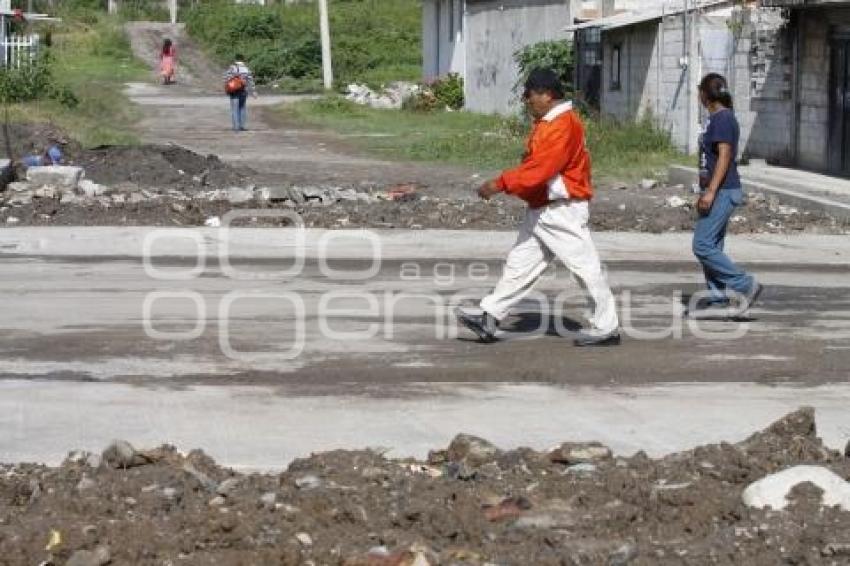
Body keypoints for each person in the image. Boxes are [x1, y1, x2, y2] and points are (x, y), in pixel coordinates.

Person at [455, 68, 620, 347]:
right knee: (519, 265)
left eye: (529, 95)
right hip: (545, 207)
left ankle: (606, 326)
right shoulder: (552, 122)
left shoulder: (562, 124)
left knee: (585, 268)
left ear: (546, 95)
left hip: (561, 210)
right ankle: (490, 316)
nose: (526, 101)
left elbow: (539, 170)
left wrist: (499, 184)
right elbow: (536, 166)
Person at [688, 73, 763, 318]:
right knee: (714, 245)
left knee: (702, 245)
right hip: (717, 190)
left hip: (723, 190)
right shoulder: (718, 118)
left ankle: (746, 285)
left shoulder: (722, 119)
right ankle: (717, 298)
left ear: (704, 95)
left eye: (699, 91)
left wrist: (710, 192)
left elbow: (725, 155)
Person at [223, 55, 257, 132]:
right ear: (243, 60)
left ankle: (236, 127)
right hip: (244, 91)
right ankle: (242, 126)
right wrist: (254, 91)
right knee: (242, 108)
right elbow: (250, 81)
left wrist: (227, 88)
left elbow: (226, 79)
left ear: (235, 60)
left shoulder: (232, 68)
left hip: (234, 91)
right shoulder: (246, 69)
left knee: (234, 109)